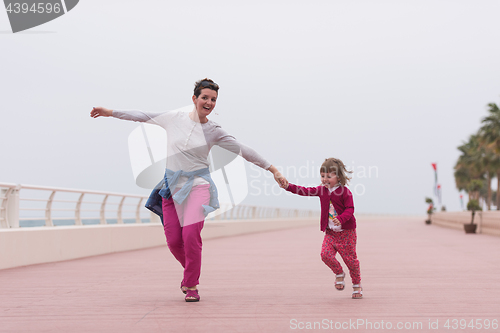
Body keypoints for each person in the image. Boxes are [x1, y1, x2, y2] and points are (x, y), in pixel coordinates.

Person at [90, 78, 288, 302]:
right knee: (174, 241)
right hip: (171, 187)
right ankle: (192, 271)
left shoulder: (214, 131)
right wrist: (110, 112)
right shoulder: (173, 118)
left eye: (213, 99)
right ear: (194, 99)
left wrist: (272, 169)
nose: (209, 102)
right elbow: (141, 115)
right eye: (205, 97)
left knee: (191, 236)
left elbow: (243, 149)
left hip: (199, 187)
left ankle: (191, 285)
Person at [281, 157, 362, 299]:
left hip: (346, 233)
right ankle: (339, 273)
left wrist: (341, 219)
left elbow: (350, 209)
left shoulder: (345, 192)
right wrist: (288, 186)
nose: (325, 179)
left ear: (338, 177)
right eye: (323, 176)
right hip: (330, 234)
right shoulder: (321, 191)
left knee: (351, 261)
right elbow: (303, 191)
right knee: (325, 255)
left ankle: (357, 285)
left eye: (329, 176)